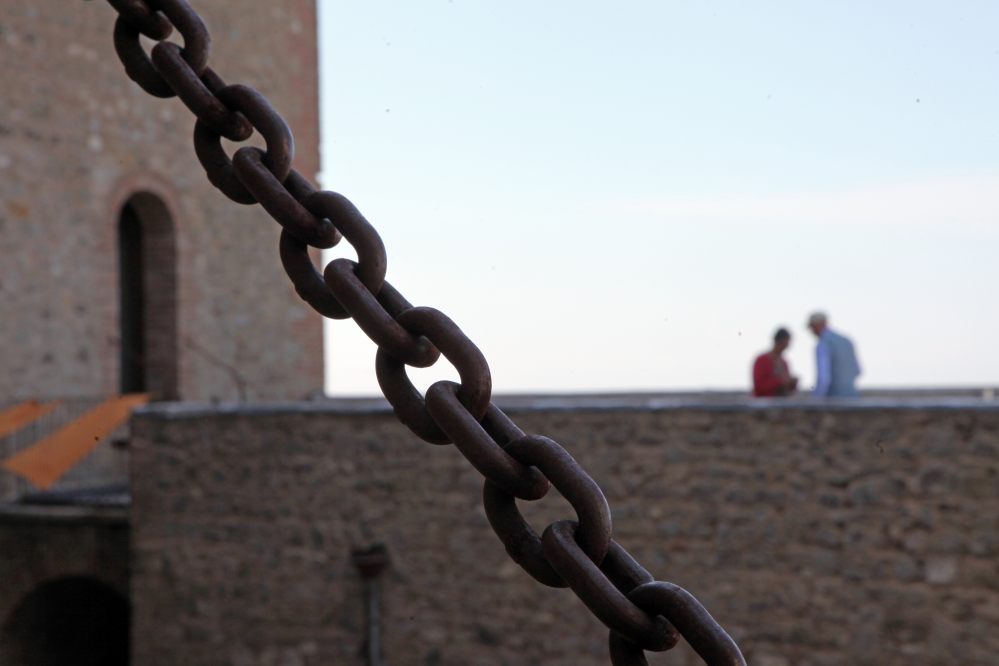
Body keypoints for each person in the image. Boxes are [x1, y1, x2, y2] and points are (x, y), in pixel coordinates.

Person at [807, 312, 861, 397]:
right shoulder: (847, 341)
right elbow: (857, 371)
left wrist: (816, 401)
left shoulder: (823, 345)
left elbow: (823, 379)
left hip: (834, 400)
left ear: (817, 325)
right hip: (852, 397)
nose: (811, 331)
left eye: (811, 327)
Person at [752, 328, 798, 397]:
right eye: (783, 343)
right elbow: (759, 387)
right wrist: (781, 382)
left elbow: (787, 389)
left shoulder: (783, 362)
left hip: (780, 404)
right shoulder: (762, 360)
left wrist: (792, 384)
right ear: (777, 341)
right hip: (764, 404)